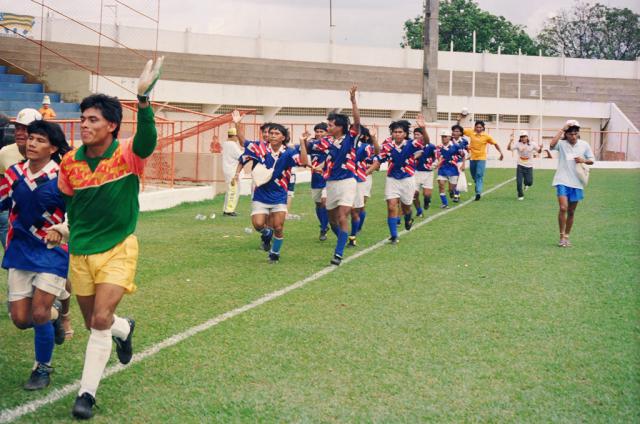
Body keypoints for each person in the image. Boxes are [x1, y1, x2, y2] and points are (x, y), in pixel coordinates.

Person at [53, 57, 164, 419]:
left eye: (92, 120)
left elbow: (148, 139)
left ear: (111, 126)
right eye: (83, 119)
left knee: (99, 319)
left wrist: (142, 100)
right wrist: (64, 230)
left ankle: (86, 394)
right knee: (94, 323)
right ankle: (125, 328)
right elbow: (73, 206)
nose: (84, 125)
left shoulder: (129, 153)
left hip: (118, 247)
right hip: (81, 252)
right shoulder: (70, 162)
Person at [1, 120, 70, 390]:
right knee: (20, 319)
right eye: (31, 138)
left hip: (51, 251)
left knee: (39, 312)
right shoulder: (14, 172)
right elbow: (3, 199)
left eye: (40, 140)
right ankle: (57, 315)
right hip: (20, 249)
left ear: (53, 147)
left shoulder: (63, 176)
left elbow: (77, 212)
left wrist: (62, 229)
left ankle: (42, 367)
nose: (31, 143)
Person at [232, 123, 308, 262]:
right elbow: (244, 142)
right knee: (258, 224)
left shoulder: (289, 152)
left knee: (278, 227)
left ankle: (275, 252)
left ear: (283, 137)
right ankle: (266, 233)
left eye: (276, 133)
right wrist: (237, 123)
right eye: (271, 133)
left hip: (279, 195)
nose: (272, 135)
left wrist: (303, 143)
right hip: (261, 194)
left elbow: (303, 161)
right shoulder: (260, 148)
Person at [315, 85, 361, 265]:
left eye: (330, 125)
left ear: (340, 127)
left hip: (348, 182)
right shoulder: (326, 142)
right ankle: (342, 238)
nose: (328, 127)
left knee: (342, 216)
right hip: (330, 184)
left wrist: (353, 101)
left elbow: (356, 122)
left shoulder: (351, 138)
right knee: (332, 219)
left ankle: (338, 253)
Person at [367, 118, 425, 244]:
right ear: (391, 133)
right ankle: (394, 235)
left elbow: (426, 142)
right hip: (392, 179)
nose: (397, 134)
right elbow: (379, 158)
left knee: (406, 207)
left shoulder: (412, 144)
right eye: (395, 132)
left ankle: (408, 218)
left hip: (408, 179)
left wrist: (423, 128)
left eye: (400, 132)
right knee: (391, 206)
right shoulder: (387, 146)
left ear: (405, 134)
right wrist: (367, 171)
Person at [549, 120, 594, 247]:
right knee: (563, 207)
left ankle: (567, 236)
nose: (573, 136)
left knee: (572, 211)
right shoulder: (562, 144)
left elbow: (592, 160)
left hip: (577, 182)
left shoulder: (584, 145)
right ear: (566, 134)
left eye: (575, 133)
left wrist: (583, 160)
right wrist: (562, 129)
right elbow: (551, 145)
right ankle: (561, 236)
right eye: (570, 134)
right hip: (562, 180)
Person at [457, 111, 504, 200]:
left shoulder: (486, 136)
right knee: (474, 175)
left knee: (479, 175)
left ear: (483, 128)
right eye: (477, 127)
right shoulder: (471, 132)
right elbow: (459, 131)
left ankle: (478, 192)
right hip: (472, 158)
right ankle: (477, 183)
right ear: (475, 127)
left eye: (480, 127)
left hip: (481, 158)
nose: (478, 128)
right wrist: (459, 120)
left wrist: (501, 153)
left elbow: (495, 144)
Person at [348, 126, 379, 247]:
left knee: (356, 209)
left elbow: (377, 153)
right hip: (342, 180)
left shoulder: (364, 147)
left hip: (360, 180)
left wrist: (373, 137)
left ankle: (353, 235)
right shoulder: (343, 145)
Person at [305, 123, 330, 241]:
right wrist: (303, 140)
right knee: (318, 204)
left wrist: (322, 166)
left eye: (322, 131)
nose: (319, 134)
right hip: (315, 178)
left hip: (328, 178)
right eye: (317, 131)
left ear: (327, 132)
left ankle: (324, 228)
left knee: (325, 202)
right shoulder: (313, 144)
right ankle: (324, 224)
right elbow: (303, 150)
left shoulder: (332, 144)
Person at [507, 130, 542, 200]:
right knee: (519, 182)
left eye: (524, 136)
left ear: (527, 137)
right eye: (521, 137)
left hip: (529, 165)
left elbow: (539, 151)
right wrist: (510, 141)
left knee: (529, 182)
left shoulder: (533, 144)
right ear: (520, 138)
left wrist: (541, 148)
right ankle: (520, 195)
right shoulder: (517, 144)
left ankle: (526, 185)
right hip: (520, 165)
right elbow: (508, 149)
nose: (523, 138)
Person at [435, 129, 464, 209]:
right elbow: (437, 157)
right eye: (442, 136)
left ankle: (454, 192)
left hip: (453, 169)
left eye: (445, 136)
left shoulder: (456, 146)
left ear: (449, 137)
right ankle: (445, 203)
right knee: (441, 184)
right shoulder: (439, 147)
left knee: (452, 188)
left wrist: (462, 164)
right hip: (443, 169)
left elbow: (463, 155)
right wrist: (437, 163)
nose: (443, 138)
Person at [412, 125, 435, 217]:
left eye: (418, 134)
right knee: (414, 194)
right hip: (415, 172)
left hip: (428, 173)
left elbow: (437, 156)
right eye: (415, 134)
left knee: (426, 194)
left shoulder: (430, 146)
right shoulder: (412, 145)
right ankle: (419, 210)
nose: (416, 136)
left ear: (423, 135)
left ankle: (427, 201)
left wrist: (434, 163)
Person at [221, 123, 244, 216]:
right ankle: (229, 211)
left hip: (228, 170)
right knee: (233, 191)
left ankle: (227, 209)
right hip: (232, 171)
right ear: (235, 136)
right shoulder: (232, 145)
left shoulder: (226, 144)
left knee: (230, 190)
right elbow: (241, 157)